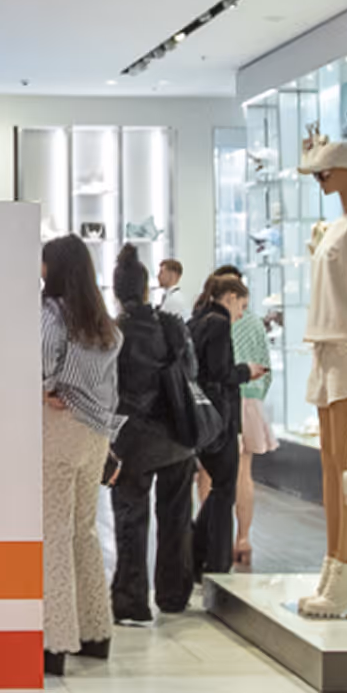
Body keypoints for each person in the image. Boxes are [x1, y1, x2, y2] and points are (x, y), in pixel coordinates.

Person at [39, 234, 122, 678]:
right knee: (84, 530)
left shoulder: (51, 316)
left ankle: (53, 641)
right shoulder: (103, 323)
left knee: (53, 531)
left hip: (58, 429)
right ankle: (95, 632)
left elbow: (39, 366)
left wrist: (42, 389)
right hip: (96, 434)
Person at [109, 244, 202, 624]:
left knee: (131, 519)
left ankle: (131, 600)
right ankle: (174, 594)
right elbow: (191, 372)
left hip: (131, 440)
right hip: (177, 434)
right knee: (177, 516)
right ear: (147, 288)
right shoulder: (172, 326)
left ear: (117, 292)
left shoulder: (113, 334)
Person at [188, 271, 266, 579]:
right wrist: (246, 371)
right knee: (224, 489)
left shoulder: (197, 320)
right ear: (231, 297)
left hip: (200, 418)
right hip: (220, 418)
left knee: (219, 487)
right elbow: (220, 373)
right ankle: (215, 561)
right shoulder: (219, 324)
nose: (241, 314)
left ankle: (196, 555)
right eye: (241, 306)